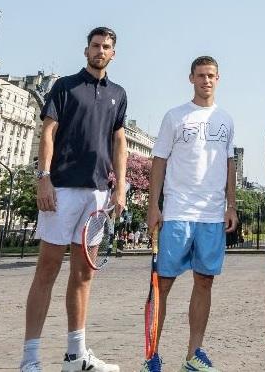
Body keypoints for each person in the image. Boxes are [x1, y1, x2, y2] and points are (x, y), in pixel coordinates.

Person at [20, 27, 127, 372]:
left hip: (98, 195)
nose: (100, 51)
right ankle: (30, 359)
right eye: (95, 46)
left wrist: (120, 187)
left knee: (83, 275)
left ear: (113, 53)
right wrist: (44, 179)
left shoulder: (119, 94)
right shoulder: (65, 86)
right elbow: (48, 131)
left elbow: (119, 142)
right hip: (62, 189)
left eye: (106, 47)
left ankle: (75, 356)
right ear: (86, 51)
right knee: (47, 270)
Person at [141, 56, 238, 372]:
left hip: (211, 215)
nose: (206, 80)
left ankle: (194, 353)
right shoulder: (175, 116)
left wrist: (231, 204)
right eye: (200, 75)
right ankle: (152, 354)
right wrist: (153, 206)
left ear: (218, 79)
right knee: (162, 285)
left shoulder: (226, 119)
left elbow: (229, 165)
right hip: (178, 211)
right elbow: (158, 161)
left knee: (205, 282)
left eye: (211, 75)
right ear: (191, 79)